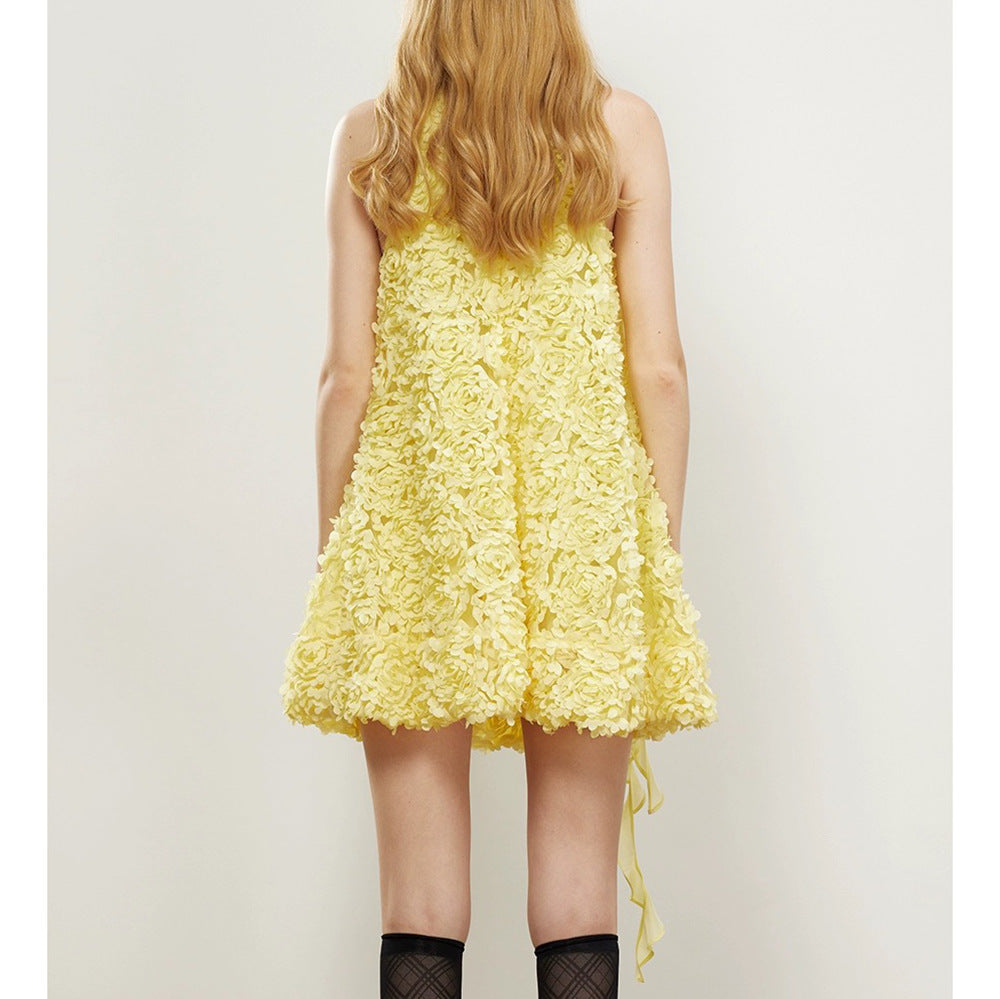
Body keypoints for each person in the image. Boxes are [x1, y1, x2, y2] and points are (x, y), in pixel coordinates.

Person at [279, 2, 718, 996]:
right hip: (584, 536)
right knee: (577, 895)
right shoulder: (620, 130)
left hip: (418, 536)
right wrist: (655, 551)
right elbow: (660, 369)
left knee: (419, 904)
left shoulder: (373, 139)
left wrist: (341, 557)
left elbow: (346, 379)